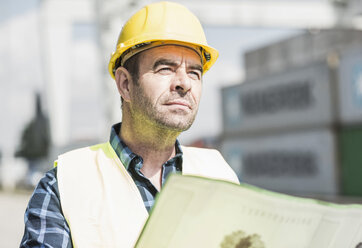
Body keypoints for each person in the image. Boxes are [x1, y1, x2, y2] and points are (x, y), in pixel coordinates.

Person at [20, 2, 239, 247]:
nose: (184, 83)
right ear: (125, 84)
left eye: (195, 73)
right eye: (166, 68)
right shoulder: (63, 186)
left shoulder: (220, 173)